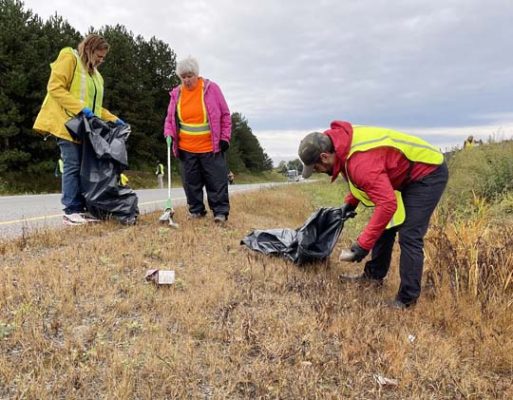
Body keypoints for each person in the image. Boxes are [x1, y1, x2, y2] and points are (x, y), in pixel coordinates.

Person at [298, 121, 448, 309]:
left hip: (428, 171)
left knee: (410, 235)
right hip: (400, 174)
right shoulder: (341, 144)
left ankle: (407, 300)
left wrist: (362, 246)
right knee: (386, 227)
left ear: (324, 156)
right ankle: (373, 277)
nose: (319, 172)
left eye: (316, 168)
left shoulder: (360, 161)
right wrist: (349, 203)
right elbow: (360, 180)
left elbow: (385, 203)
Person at [33, 34, 125, 225]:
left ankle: (81, 209)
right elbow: (55, 88)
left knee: (85, 170)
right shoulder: (70, 58)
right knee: (72, 166)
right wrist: (80, 109)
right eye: (98, 56)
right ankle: (70, 210)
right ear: (89, 50)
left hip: (85, 130)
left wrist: (115, 120)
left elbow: (96, 109)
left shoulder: (96, 76)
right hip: (66, 124)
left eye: (103, 58)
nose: (101, 60)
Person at [163, 56, 231, 223]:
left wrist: (225, 137)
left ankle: (220, 212)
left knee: (216, 182)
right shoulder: (176, 94)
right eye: (183, 77)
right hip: (187, 148)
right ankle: (196, 211)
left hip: (210, 147)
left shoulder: (211, 88)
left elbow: (225, 115)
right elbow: (170, 119)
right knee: (191, 183)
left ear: (197, 74)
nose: (186, 80)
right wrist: (168, 133)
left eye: (190, 76)